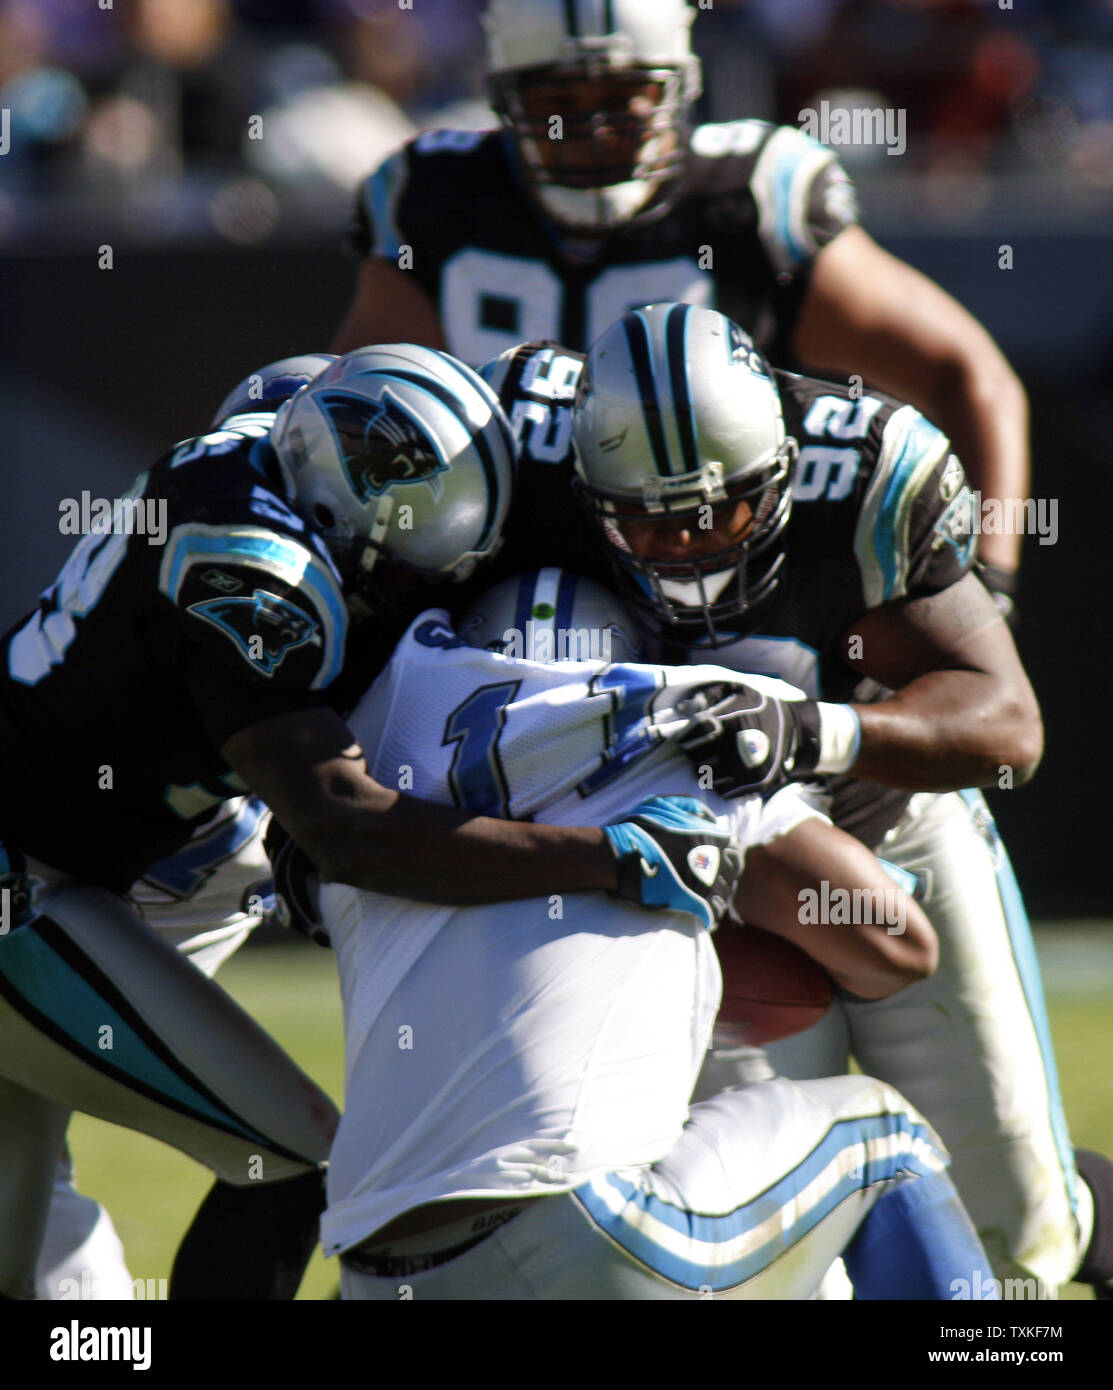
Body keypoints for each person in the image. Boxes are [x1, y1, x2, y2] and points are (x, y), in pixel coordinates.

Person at [0, 344, 738, 1301]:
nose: (417, 599)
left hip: (82, 857)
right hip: (29, 886)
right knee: (283, 1159)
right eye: (398, 575)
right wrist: (607, 858)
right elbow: (349, 829)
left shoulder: (278, 430)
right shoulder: (252, 577)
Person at [458, 308, 1113, 1297]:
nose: (682, 547)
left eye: (716, 513)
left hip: (879, 812)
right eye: (646, 519)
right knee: (780, 1249)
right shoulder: (513, 456)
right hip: (684, 862)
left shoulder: (867, 469)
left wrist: (818, 731)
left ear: (782, 470)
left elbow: (1008, 722)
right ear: (587, 494)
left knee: (1016, 1232)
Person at [318, 566, 995, 1300]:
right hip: (585, 1225)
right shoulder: (667, 724)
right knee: (881, 1136)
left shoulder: (373, 766)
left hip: (373, 1263)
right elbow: (894, 946)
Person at [332, 0, 1027, 609]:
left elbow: (968, 377)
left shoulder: (747, 201)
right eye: (557, 101)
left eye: (622, 96)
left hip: (724, 589)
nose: (593, 127)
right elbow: (363, 416)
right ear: (503, 97)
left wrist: (987, 577)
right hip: (499, 586)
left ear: (680, 88)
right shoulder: (433, 199)